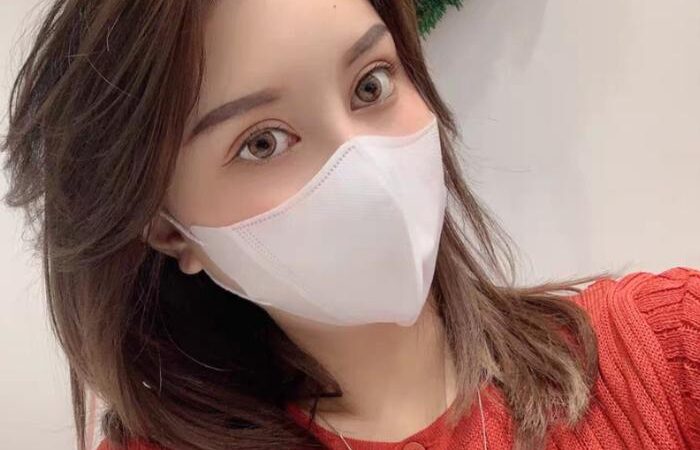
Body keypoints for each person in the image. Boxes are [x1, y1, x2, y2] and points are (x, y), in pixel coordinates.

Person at [2, 1, 698, 449]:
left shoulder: (668, 351)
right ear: (168, 230)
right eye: (263, 142)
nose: (363, 165)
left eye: (371, 84)